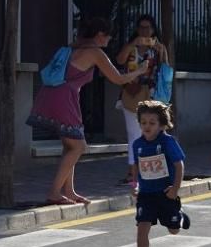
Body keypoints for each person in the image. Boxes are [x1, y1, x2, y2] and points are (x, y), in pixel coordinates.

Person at [27, 17, 141, 205]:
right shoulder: (95, 52)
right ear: (100, 35)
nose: (109, 40)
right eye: (108, 36)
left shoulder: (73, 47)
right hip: (64, 98)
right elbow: (119, 79)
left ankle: (69, 191)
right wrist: (139, 71)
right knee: (79, 146)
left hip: (53, 94)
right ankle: (54, 192)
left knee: (70, 146)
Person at [126, 101, 191, 247]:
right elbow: (136, 167)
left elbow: (179, 165)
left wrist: (176, 188)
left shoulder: (167, 142)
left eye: (152, 123)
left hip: (165, 193)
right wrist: (135, 185)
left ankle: (179, 216)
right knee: (142, 227)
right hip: (146, 194)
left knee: (173, 230)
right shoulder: (137, 144)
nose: (147, 126)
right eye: (144, 122)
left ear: (162, 124)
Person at [114, 14, 168, 185]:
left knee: (152, 133)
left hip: (150, 94)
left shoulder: (157, 48)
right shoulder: (132, 48)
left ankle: (151, 169)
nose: (145, 31)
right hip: (131, 94)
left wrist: (161, 52)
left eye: (148, 28)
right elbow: (119, 60)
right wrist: (132, 44)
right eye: (142, 27)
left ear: (153, 30)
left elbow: (166, 70)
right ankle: (133, 172)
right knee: (134, 134)